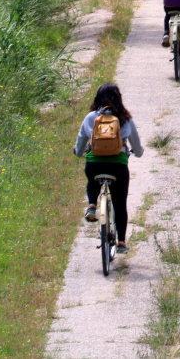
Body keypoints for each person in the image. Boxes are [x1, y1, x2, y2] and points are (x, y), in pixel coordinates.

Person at [74, 83, 144, 254]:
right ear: (119, 99)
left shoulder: (91, 118)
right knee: (120, 204)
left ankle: (92, 204)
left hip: (94, 164)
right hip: (118, 166)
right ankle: (121, 241)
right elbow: (138, 147)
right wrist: (137, 152)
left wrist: (78, 151)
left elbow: (80, 143)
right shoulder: (125, 118)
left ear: (97, 99)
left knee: (92, 179)